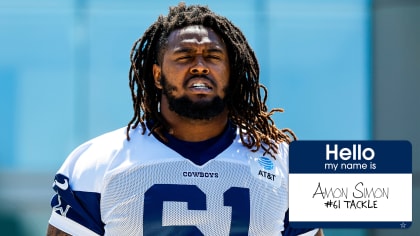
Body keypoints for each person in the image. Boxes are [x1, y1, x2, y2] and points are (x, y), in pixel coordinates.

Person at [47, 3, 323, 236]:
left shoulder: (285, 163)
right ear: (157, 75)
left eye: (213, 57)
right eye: (184, 56)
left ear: (232, 73)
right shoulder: (96, 162)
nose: (200, 65)